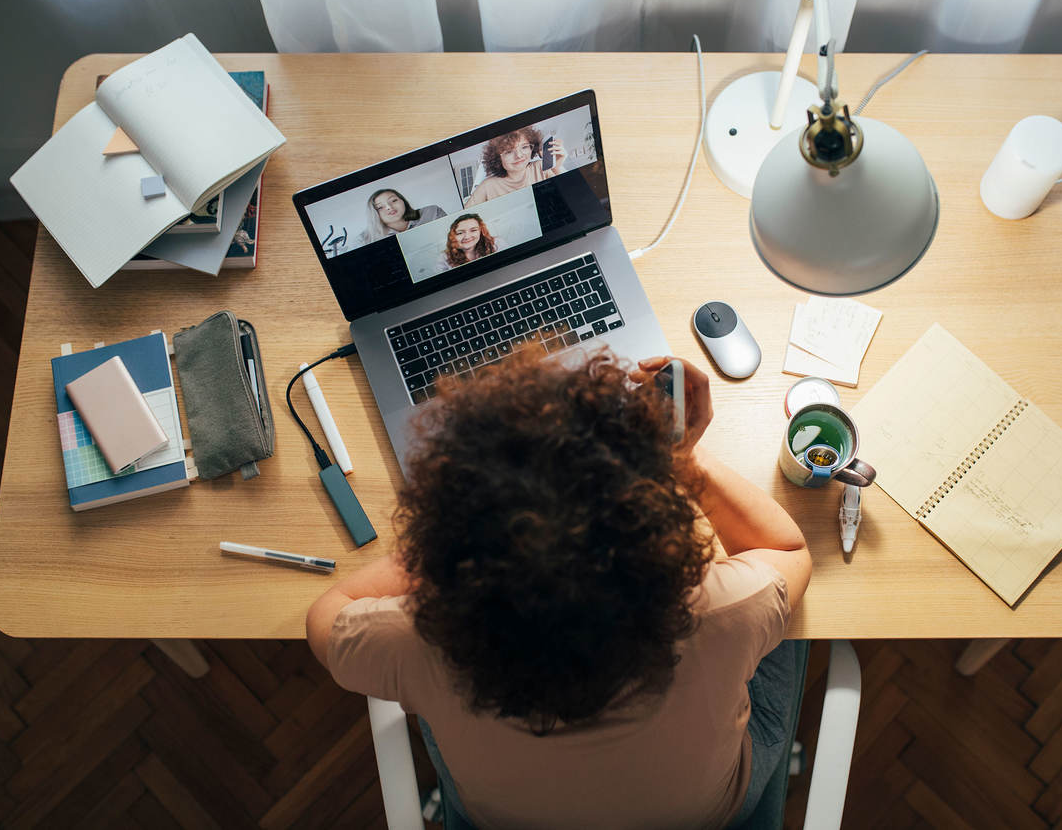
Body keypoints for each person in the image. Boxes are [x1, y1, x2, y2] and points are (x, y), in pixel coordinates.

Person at [306, 349, 812, 829]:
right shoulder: (721, 610)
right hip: (706, 814)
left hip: (505, 820)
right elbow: (789, 551)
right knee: (786, 627)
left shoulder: (417, 641)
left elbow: (326, 613)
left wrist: (448, 538)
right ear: (656, 532)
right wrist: (679, 461)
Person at [464, 126, 566, 206]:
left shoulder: (541, 167)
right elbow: (463, 218)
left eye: (524, 147)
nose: (519, 155)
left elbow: (571, 195)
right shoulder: (487, 186)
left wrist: (557, 168)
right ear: (497, 159)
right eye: (509, 152)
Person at [359, 188, 446, 247]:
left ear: (403, 201)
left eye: (394, 200)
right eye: (380, 207)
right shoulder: (364, 239)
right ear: (374, 214)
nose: (389, 207)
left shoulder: (433, 212)